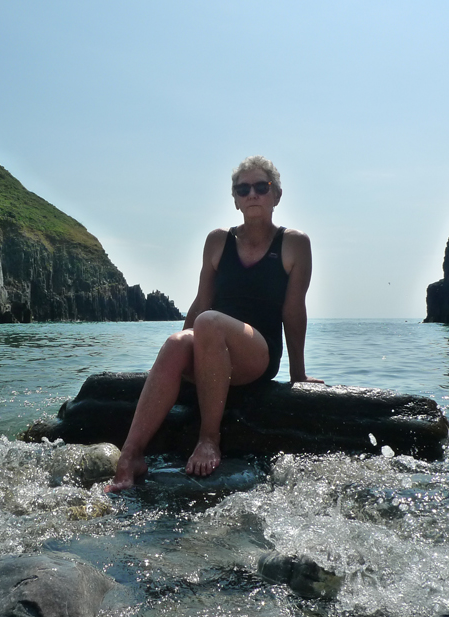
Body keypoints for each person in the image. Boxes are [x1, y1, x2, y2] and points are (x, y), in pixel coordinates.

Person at [105, 156, 323, 493]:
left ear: (276, 195)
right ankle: (131, 455)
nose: (252, 194)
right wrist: (175, 361)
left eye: (261, 187)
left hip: (257, 353)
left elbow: (294, 311)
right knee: (178, 341)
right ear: (235, 199)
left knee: (209, 322)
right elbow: (200, 301)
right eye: (243, 189)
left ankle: (209, 438)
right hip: (211, 342)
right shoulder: (218, 241)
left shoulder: (294, 243)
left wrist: (298, 375)